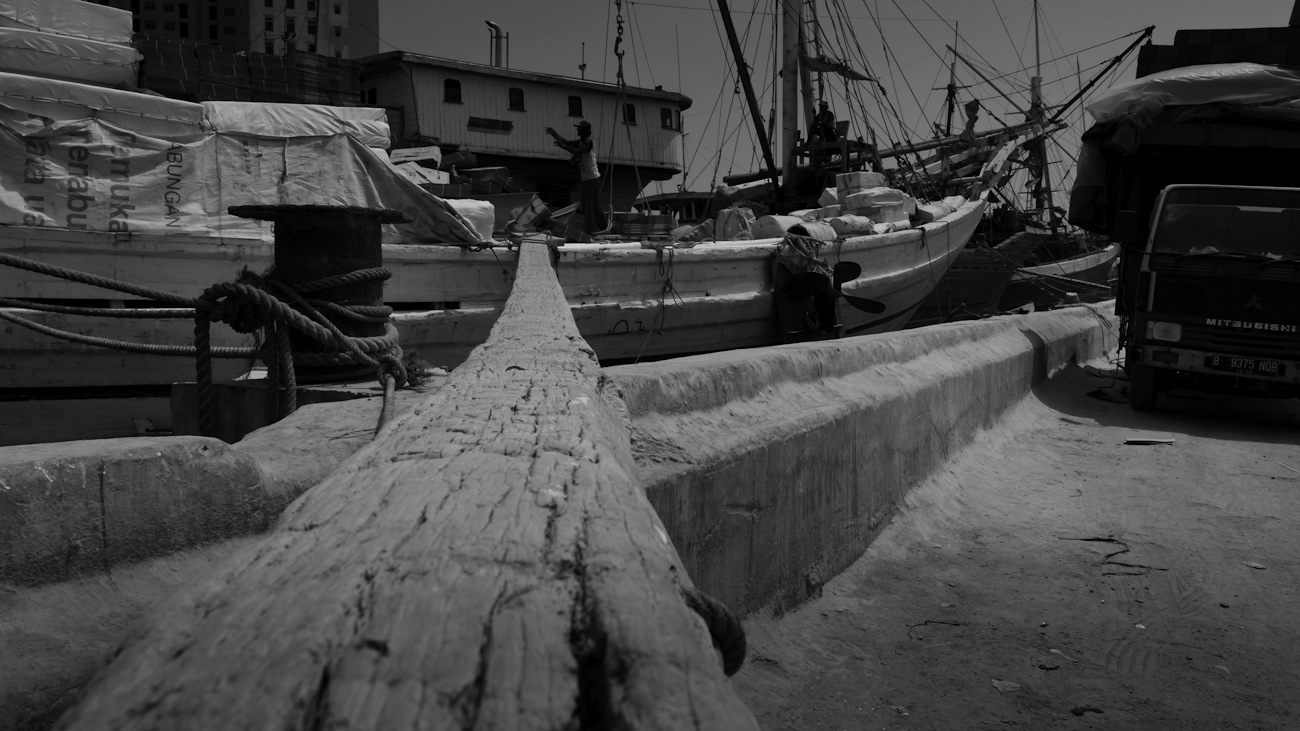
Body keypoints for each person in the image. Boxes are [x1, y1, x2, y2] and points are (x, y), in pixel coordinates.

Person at [545, 120, 607, 235]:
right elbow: (566, 142)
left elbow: (577, 151)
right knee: (593, 206)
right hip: (589, 179)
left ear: (584, 130)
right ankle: (601, 228)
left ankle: (593, 231)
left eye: (579, 128)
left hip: (591, 179)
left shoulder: (588, 142)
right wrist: (554, 133)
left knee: (589, 206)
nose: (577, 130)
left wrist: (563, 147)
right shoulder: (581, 142)